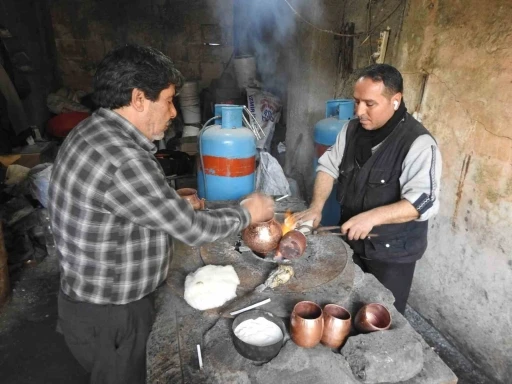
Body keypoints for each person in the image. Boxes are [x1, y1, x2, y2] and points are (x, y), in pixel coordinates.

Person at [47, 44, 274, 384]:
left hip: (88, 302)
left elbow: (118, 204)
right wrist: (247, 212)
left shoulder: (92, 131)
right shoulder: (125, 158)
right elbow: (192, 230)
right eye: (168, 100)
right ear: (139, 99)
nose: (172, 113)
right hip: (112, 315)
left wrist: (168, 203)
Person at [293, 64, 442, 315]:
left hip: (392, 254)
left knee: (380, 316)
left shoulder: (418, 143)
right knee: (345, 307)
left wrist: (372, 217)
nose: (359, 111)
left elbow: (423, 202)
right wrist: (316, 207)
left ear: (395, 101)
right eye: (356, 101)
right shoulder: (351, 130)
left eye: (369, 104)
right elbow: (328, 167)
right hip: (351, 242)